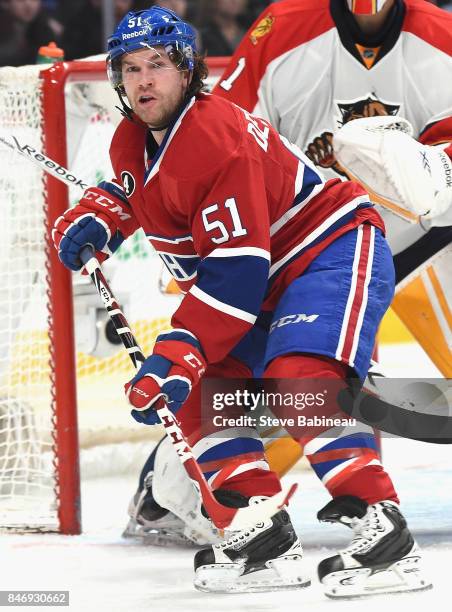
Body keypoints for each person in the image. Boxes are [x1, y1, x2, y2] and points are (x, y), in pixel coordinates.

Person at [52, 5, 430, 596]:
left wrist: (178, 351)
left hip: (326, 250)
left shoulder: (213, 137)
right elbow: (143, 192)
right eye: (130, 69)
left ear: (187, 71)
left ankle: (383, 531)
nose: (144, 80)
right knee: (203, 400)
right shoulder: (134, 136)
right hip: (264, 276)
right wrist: (102, 215)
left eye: (158, 65)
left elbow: (235, 275)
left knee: (297, 375)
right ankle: (262, 538)